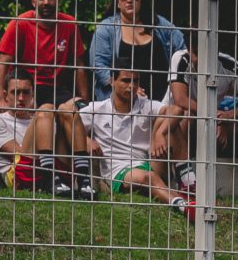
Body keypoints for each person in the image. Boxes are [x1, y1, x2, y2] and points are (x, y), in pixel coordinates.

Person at [157, 43, 238, 201]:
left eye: (202, 52)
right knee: (185, 115)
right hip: (178, 123)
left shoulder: (228, 64)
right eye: (194, 52)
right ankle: (183, 182)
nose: (197, 59)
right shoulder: (180, 58)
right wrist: (214, 116)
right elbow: (181, 100)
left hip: (214, 122)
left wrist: (227, 117)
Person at [78, 66, 193, 217]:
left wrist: (159, 133)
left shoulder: (144, 104)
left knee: (169, 122)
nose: (131, 86)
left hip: (148, 162)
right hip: (119, 171)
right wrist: (84, 139)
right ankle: (182, 205)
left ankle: (188, 182)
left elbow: (178, 110)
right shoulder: (97, 108)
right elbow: (67, 121)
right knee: (147, 177)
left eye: (135, 81)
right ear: (112, 81)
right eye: (126, 81)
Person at [0, 71, 95, 195]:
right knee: (46, 109)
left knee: (67, 110)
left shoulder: (43, 119)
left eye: (26, 92)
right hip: (22, 176)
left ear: (33, 94)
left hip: (54, 168)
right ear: (6, 95)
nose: (21, 98)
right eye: (15, 92)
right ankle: (50, 177)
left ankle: (83, 179)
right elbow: (17, 154)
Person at [0, 0, 88, 110]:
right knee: (44, 112)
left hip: (57, 89)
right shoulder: (20, 23)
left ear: (58, 0)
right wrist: (0, 98)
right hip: (26, 88)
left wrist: (86, 103)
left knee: (80, 108)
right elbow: (2, 63)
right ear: (33, 2)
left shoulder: (70, 24)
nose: (46, 2)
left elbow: (79, 65)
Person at [89, 0, 185, 94]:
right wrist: (127, 88)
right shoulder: (106, 28)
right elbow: (98, 64)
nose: (129, 0)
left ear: (141, 1)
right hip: (123, 100)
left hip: (163, 99)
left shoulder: (158, 23)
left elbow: (182, 48)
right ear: (118, 3)